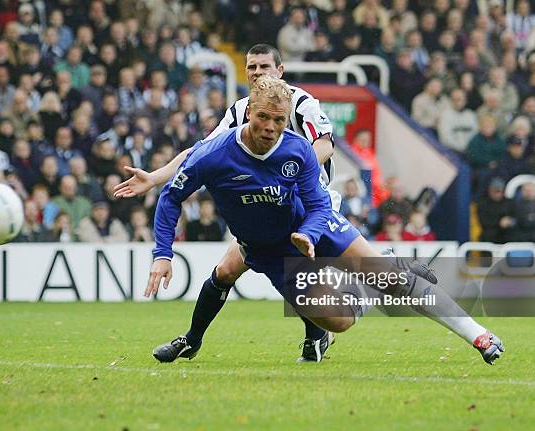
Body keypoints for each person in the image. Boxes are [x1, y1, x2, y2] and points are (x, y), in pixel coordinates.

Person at [147, 76, 503, 366]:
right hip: (268, 251)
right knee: (339, 322)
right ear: (248, 111)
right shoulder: (213, 154)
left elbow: (318, 205)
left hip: (313, 229)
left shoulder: (297, 150)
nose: (271, 128)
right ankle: (365, 288)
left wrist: (308, 233)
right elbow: (171, 197)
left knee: (394, 281)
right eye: (263, 118)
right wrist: (163, 253)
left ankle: (479, 335)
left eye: (279, 121)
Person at [114, 44, 338, 363]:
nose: (258, 73)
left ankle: (317, 335)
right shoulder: (241, 110)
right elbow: (202, 152)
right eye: (252, 68)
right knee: (226, 271)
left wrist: (286, 179)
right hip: (265, 207)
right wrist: (156, 177)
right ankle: (193, 340)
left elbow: (325, 145)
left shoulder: (302, 102)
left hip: (309, 203)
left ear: (280, 71)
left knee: (305, 271)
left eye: (264, 66)